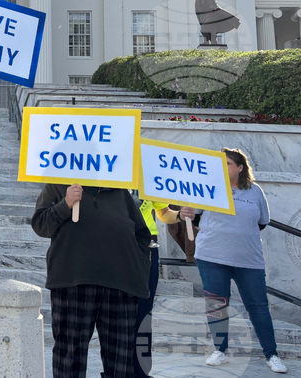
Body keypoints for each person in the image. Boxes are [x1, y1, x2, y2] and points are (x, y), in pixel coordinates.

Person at [181, 149, 287, 373]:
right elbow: (193, 214)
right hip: (212, 256)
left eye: (228, 163)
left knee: (258, 307)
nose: (223, 167)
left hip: (248, 260)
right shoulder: (207, 188)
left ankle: (272, 354)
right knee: (217, 306)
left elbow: (262, 221)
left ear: (240, 167)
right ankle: (220, 350)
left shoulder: (255, 191)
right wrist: (186, 213)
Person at [32, 182, 151, 378]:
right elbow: (41, 225)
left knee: (120, 359)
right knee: (69, 355)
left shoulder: (119, 189)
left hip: (120, 284)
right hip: (73, 282)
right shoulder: (57, 184)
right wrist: (66, 203)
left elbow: (141, 233)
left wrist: (138, 264)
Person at [134, 200, 182, 378]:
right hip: (119, 244)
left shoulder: (150, 175)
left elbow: (163, 212)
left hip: (148, 246)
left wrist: (179, 215)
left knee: (144, 313)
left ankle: (142, 371)